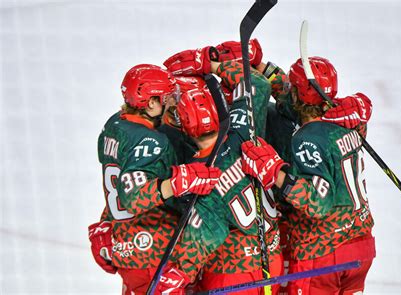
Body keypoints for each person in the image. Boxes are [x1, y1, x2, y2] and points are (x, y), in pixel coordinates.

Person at [154, 44, 284, 294]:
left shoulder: (199, 174)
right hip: (271, 260)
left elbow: (209, 232)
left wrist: (179, 272)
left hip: (230, 275)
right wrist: (212, 65)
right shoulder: (244, 130)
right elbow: (257, 85)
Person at [240, 56, 375, 295]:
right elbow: (296, 98)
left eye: (292, 88)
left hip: (324, 254)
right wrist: (262, 67)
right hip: (360, 246)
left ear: (297, 95)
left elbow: (318, 204)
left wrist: (275, 171)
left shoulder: (306, 139)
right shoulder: (349, 122)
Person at [88, 64, 222, 295]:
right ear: (150, 103)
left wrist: (106, 221)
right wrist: (181, 181)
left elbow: (119, 180)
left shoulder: (114, 125)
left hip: (126, 246)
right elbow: (134, 197)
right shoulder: (151, 141)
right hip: (153, 252)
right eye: (167, 98)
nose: (172, 103)